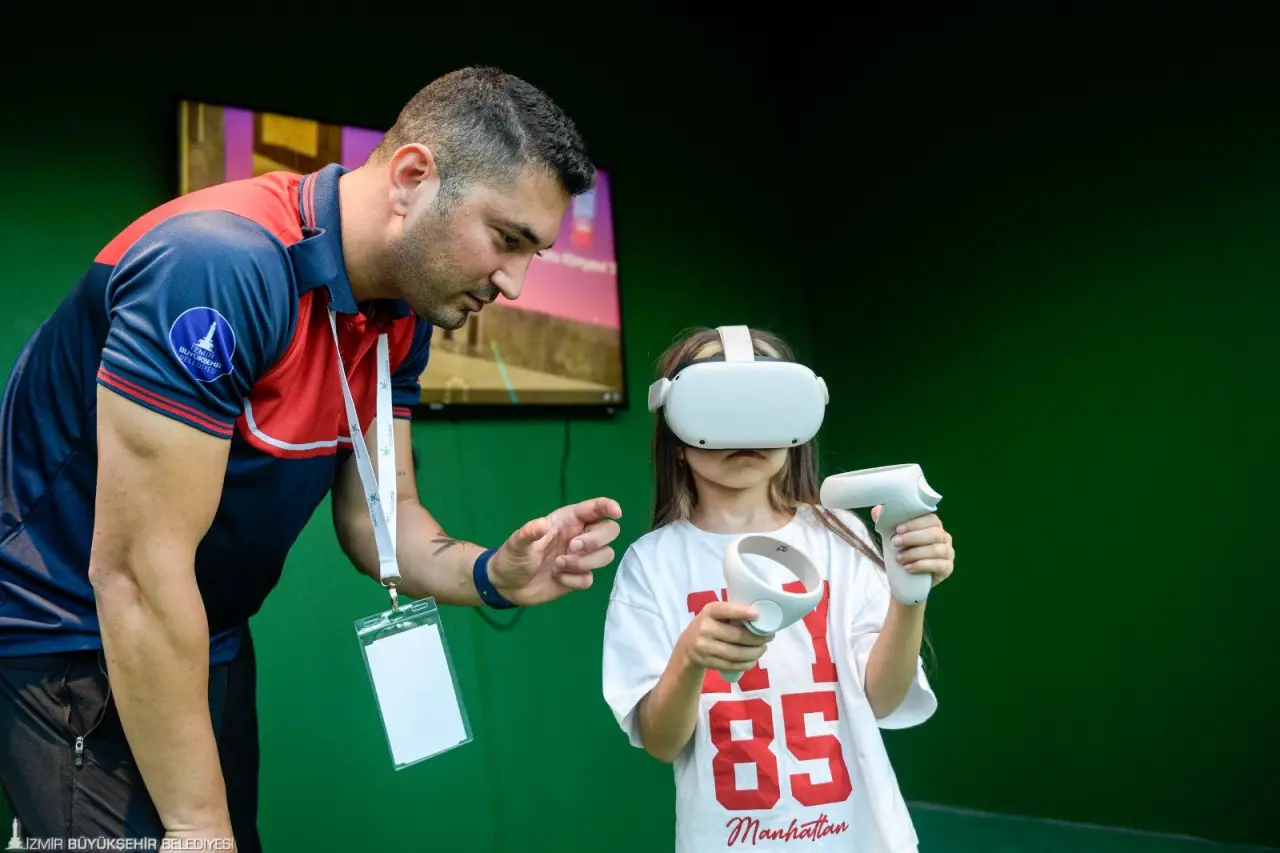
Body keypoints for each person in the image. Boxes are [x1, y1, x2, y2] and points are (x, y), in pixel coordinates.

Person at [0, 66, 622, 850]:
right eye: (507, 239)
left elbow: (380, 521)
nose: (516, 282)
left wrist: (489, 573)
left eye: (534, 252)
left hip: (207, 634)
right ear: (411, 177)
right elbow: (135, 574)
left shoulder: (401, 311)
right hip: (71, 638)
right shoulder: (217, 265)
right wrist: (197, 825)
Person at [600, 327, 956, 853]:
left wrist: (910, 595)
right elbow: (660, 741)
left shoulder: (842, 537)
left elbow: (881, 700)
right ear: (674, 435)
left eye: (767, 404)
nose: (746, 429)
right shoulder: (651, 564)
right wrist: (690, 658)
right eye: (718, 405)